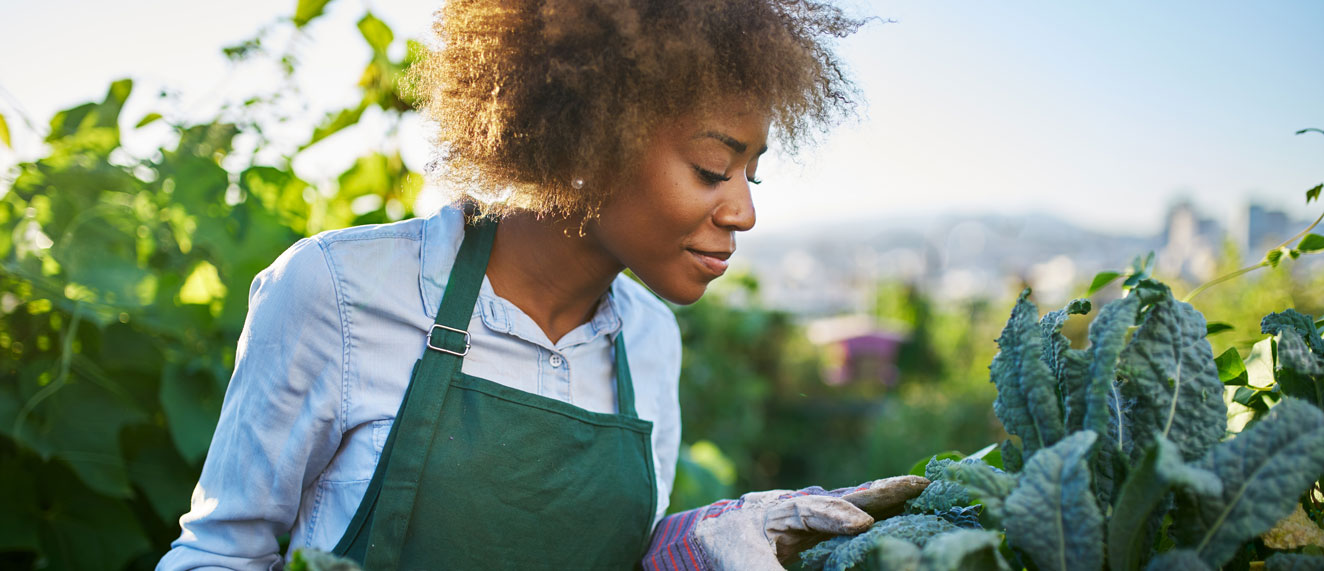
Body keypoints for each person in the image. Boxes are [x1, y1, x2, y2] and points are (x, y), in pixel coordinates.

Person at [158, 1, 928, 569]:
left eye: (751, 174)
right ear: (593, 132)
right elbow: (219, 554)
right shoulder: (340, 290)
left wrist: (700, 545)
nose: (744, 210)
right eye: (711, 169)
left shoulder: (651, 341)